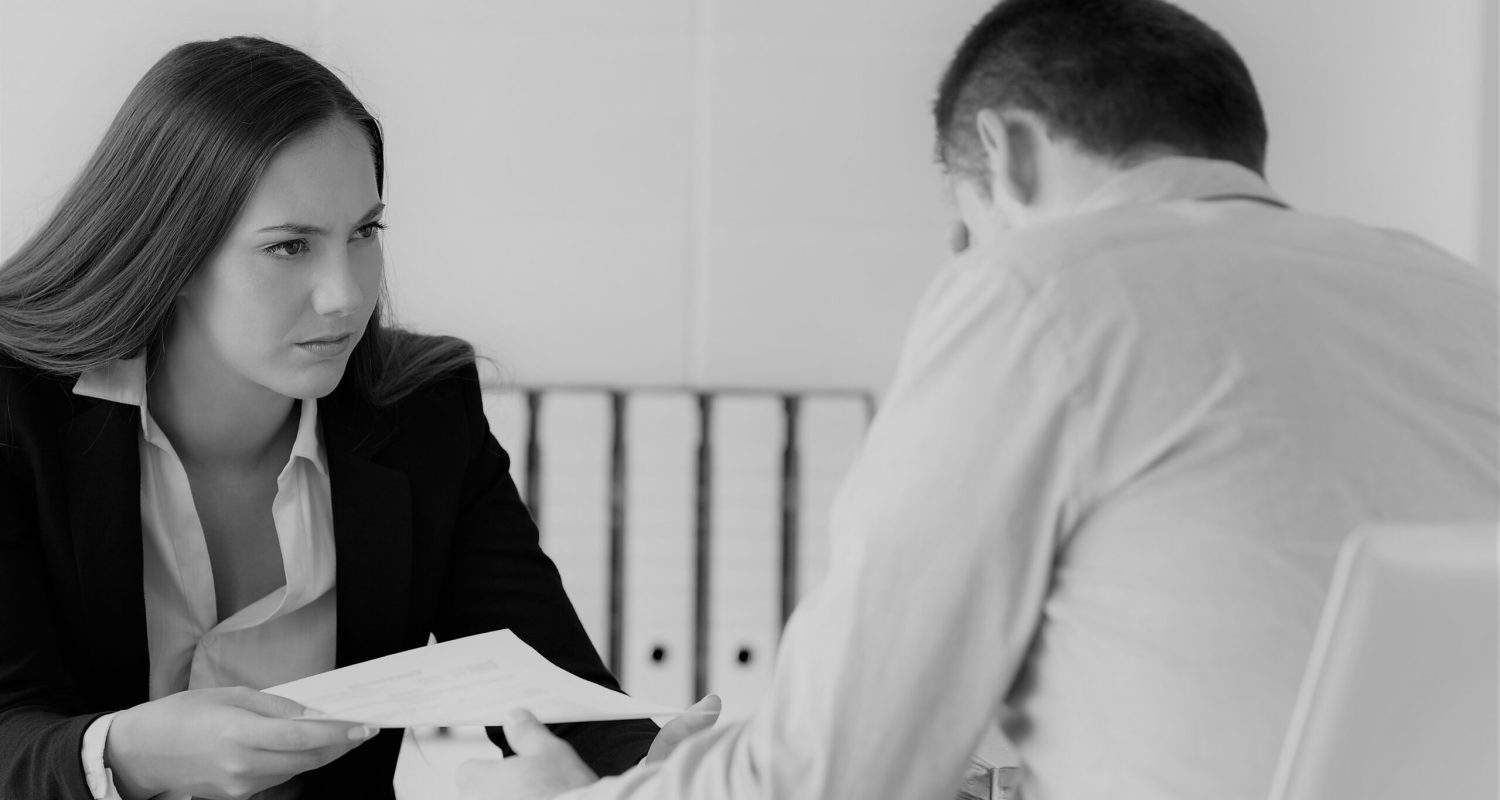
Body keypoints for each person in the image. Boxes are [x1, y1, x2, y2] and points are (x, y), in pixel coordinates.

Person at [456, 0, 1500, 798]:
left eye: (964, 220)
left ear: (1005, 150)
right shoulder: (1459, 296)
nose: (960, 254)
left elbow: (831, 771)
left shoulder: (1042, 284)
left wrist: (595, 792)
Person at [0, 36, 713, 800]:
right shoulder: (17, 412)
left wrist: (652, 771)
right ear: (168, 250)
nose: (344, 294)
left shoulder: (425, 414)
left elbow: (551, 694)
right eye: (289, 247)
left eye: (365, 233)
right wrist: (123, 753)